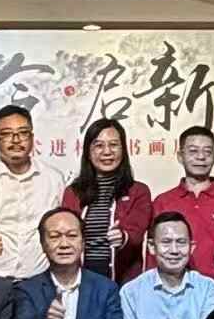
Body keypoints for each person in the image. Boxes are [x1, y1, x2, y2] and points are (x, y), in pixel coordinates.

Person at [0, 105, 67, 281]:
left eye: (23, 133)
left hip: (42, 277)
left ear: (32, 138)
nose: (16, 140)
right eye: (6, 134)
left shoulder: (53, 178)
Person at [151, 125, 214, 282]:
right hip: (171, 286)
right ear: (180, 156)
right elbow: (153, 254)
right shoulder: (162, 202)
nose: (201, 157)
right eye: (193, 151)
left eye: (207, 152)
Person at [60, 118, 152, 283]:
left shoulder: (138, 191)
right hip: (82, 277)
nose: (107, 152)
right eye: (99, 145)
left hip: (122, 279)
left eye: (114, 145)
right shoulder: (73, 192)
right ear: (88, 151)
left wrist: (123, 237)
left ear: (123, 150)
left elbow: (137, 233)